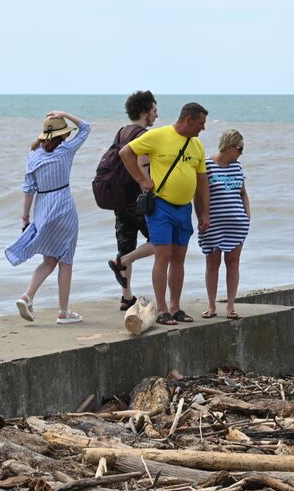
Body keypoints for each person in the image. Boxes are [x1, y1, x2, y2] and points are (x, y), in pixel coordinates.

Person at [120, 102, 209, 325]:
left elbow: (201, 183)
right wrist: (142, 180)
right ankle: (161, 309)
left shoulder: (197, 145)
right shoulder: (159, 136)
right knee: (163, 256)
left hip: (184, 209)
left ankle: (175, 307)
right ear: (188, 120)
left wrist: (204, 214)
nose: (203, 128)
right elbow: (126, 152)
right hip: (161, 207)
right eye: (201, 123)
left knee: (179, 258)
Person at [5, 111, 90, 324]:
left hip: (42, 208)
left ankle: (27, 296)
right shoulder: (66, 150)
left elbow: (28, 189)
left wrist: (25, 218)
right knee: (66, 260)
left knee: (49, 259)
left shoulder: (33, 155)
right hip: (63, 207)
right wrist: (65, 114)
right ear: (63, 134)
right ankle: (63, 311)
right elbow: (86, 127)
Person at [107, 90, 158, 311]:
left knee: (125, 244)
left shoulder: (121, 132)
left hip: (118, 197)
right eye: (154, 111)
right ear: (145, 112)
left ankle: (126, 297)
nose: (157, 115)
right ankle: (122, 262)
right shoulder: (143, 135)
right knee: (161, 240)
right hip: (136, 198)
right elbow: (143, 164)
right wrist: (147, 187)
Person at [199, 129, 251, 319]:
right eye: (240, 149)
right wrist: (201, 217)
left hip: (237, 224)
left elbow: (243, 193)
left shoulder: (237, 167)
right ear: (228, 147)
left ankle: (230, 306)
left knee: (233, 263)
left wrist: (247, 216)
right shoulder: (206, 165)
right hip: (212, 224)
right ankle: (212, 305)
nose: (241, 154)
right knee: (212, 264)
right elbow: (199, 195)